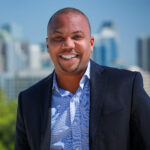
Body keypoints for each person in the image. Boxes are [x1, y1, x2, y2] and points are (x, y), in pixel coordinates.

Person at [15, 7, 150, 150]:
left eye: (77, 37)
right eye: (58, 38)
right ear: (48, 45)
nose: (68, 45)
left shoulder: (127, 86)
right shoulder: (29, 101)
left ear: (91, 43)